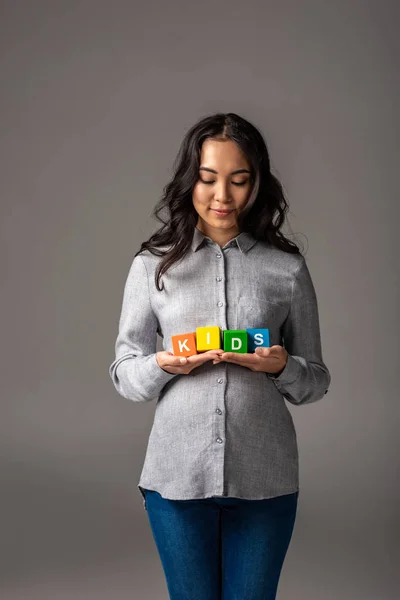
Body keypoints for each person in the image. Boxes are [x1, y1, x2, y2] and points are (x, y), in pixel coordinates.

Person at [109, 112, 331, 600]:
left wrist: (281, 366)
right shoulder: (152, 266)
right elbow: (125, 374)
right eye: (208, 179)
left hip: (265, 480)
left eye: (239, 180)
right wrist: (164, 364)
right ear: (191, 179)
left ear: (257, 184)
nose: (222, 197)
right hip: (175, 480)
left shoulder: (286, 268)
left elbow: (316, 379)